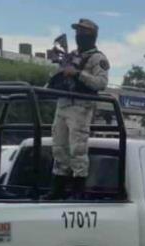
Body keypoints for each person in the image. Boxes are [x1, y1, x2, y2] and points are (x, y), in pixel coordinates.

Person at [46, 18, 109, 200]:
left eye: (83, 32)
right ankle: (57, 189)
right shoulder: (72, 54)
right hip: (63, 103)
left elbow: (101, 83)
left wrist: (78, 74)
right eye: (77, 32)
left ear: (92, 35)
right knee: (59, 147)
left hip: (80, 106)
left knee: (77, 149)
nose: (79, 35)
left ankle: (78, 190)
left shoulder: (98, 58)